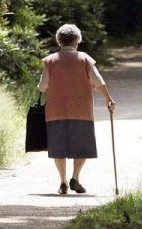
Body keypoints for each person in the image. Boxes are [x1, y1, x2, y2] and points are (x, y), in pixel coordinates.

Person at [38, 24, 115, 194]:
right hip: (82, 111)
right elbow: (99, 82)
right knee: (82, 145)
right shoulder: (84, 59)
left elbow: (42, 86)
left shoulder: (50, 61)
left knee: (59, 147)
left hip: (56, 111)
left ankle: (63, 181)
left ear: (59, 41)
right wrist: (108, 99)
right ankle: (75, 178)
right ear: (77, 41)